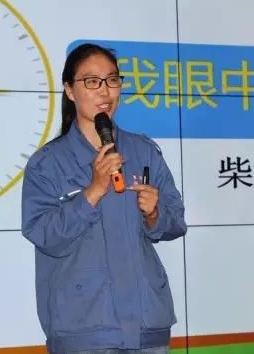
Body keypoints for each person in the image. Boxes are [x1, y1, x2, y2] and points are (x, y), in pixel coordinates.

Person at [21, 43, 187, 354]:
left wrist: (154, 214)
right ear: (69, 90)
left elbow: (176, 221)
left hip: (147, 329)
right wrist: (93, 192)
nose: (105, 91)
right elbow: (43, 234)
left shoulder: (144, 151)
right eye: (91, 81)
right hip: (85, 330)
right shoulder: (47, 163)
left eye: (112, 80)